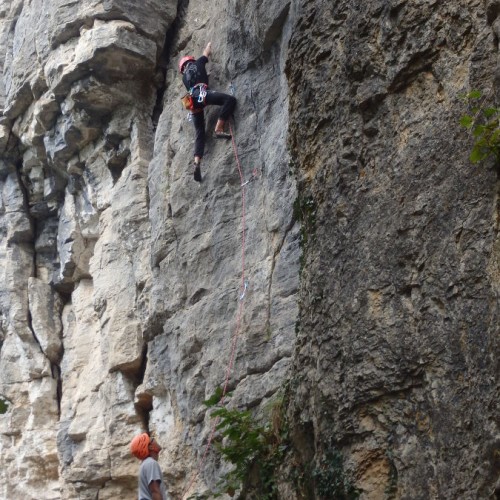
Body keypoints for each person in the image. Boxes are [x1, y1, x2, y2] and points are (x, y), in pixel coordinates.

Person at [179, 42, 237, 182]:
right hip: (201, 94)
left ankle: (197, 161)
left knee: (200, 132)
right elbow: (206, 52)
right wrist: (209, 45)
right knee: (230, 100)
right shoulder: (198, 62)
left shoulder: (184, 78)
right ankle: (218, 128)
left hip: (192, 102)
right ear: (191, 61)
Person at [130, 433, 167, 500]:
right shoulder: (151, 463)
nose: (154, 439)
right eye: (152, 439)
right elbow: (155, 491)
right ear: (151, 447)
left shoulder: (145, 464)